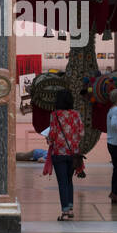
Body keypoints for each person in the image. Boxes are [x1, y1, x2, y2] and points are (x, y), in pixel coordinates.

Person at [40, 88, 83, 221]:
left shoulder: (55, 115)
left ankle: (64, 211)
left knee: (62, 182)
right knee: (69, 181)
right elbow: (82, 133)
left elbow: (52, 135)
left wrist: (49, 139)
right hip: (73, 154)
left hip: (59, 153)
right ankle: (70, 209)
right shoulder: (76, 114)